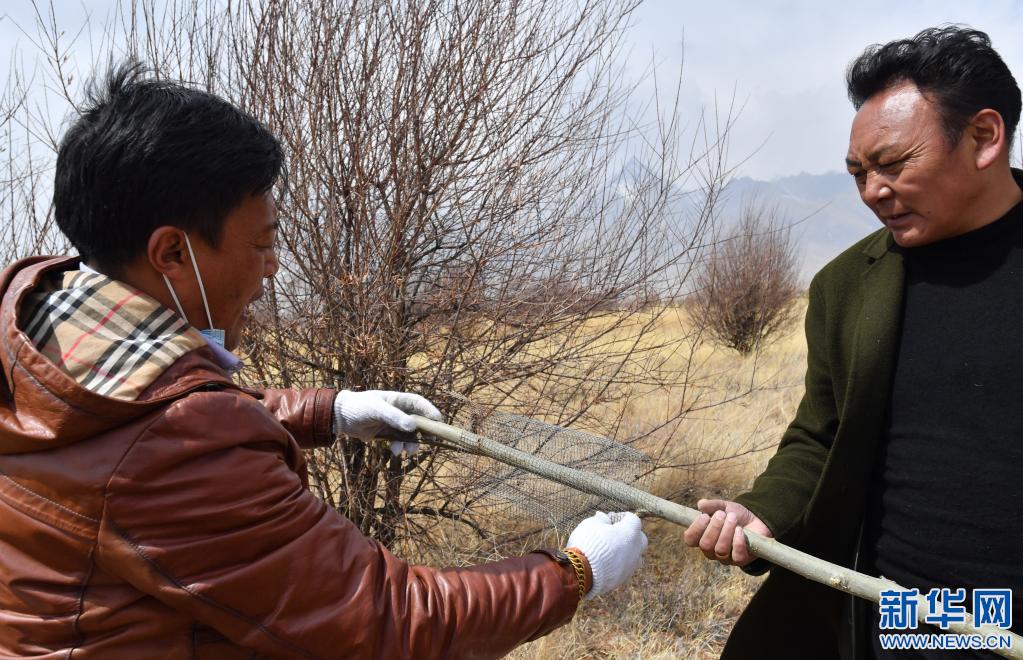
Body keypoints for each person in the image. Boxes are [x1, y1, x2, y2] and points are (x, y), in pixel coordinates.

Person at [0, 62, 648, 658]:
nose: (271, 268)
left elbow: (142, 425)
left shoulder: (36, 334)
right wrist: (573, 572)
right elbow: (388, 622)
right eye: (261, 245)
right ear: (172, 253)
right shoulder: (174, 444)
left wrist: (330, 413)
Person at [683, 25, 1023, 659]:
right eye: (859, 173)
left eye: (893, 164)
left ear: (983, 137)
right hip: (899, 614)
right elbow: (821, 433)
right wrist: (764, 512)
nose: (873, 192)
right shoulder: (846, 287)